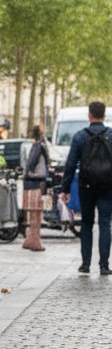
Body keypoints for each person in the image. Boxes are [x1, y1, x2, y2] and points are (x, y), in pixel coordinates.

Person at [60, 100, 112, 274]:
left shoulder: (80, 136)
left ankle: (85, 264)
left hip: (86, 186)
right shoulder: (111, 135)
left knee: (87, 223)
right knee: (105, 223)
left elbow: (70, 164)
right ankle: (104, 265)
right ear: (104, 115)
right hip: (107, 186)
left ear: (89, 115)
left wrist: (65, 189)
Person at [21, 125, 49, 251]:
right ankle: (35, 241)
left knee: (32, 215)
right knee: (37, 215)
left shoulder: (33, 147)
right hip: (37, 184)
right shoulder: (41, 148)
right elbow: (42, 169)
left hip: (28, 184)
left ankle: (30, 239)